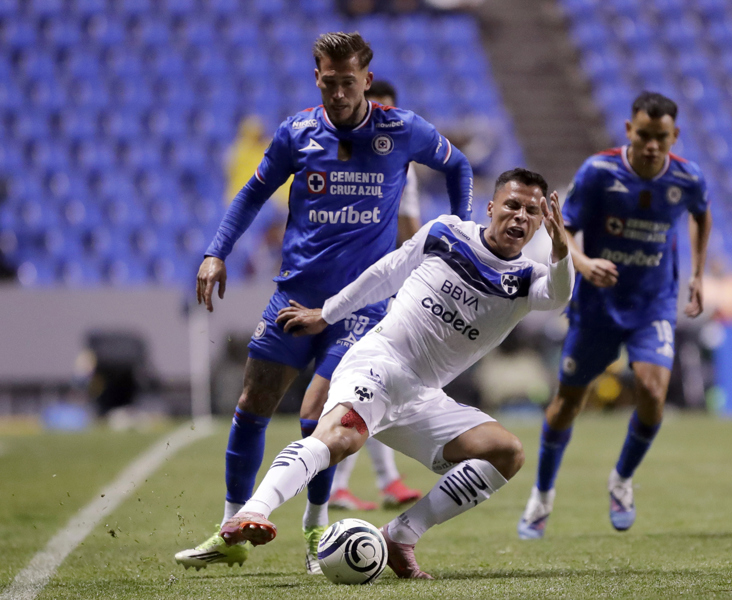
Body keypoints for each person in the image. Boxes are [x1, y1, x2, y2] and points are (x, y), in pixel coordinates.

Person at [176, 32, 473, 573]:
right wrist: (216, 252)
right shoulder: (297, 132)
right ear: (317, 78)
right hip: (295, 296)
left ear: (366, 79)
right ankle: (231, 528)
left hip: (362, 306)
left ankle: (316, 533)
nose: (338, 93)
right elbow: (252, 193)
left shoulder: (402, 130)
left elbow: (459, 166)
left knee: (318, 416)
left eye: (348, 82)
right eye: (328, 83)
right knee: (252, 404)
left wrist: (460, 230)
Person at [216, 168, 573, 580]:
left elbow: (559, 294)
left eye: (532, 211)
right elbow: (386, 272)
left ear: (541, 221)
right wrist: (326, 314)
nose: (520, 216)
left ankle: (400, 535)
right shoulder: (447, 233)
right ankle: (252, 512)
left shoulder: (528, 278)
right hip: (379, 363)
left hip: (423, 396)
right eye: (512, 205)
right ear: (491, 207)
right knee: (340, 438)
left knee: (506, 452)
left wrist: (561, 249)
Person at [517, 91, 712, 539]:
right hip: (597, 306)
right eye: (643, 135)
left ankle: (622, 480)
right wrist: (584, 264)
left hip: (653, 304)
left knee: (653, 392)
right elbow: (563, 229)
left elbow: (702, 215)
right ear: (629, 130)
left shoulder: (687, 177)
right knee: (567, 404)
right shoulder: (599, 172)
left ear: (674, 136)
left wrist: (699, 273)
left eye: (661, 137)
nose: (651, 145)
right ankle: (541, 496)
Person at [329, 80, 424, 512]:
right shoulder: (342, 155)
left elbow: (410, 225)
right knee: (364, 380)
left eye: (390, 112)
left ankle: (380, 481)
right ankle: (340, 483)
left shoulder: (402, 161)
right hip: (350, 283)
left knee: (376, 379)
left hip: (380, 284)